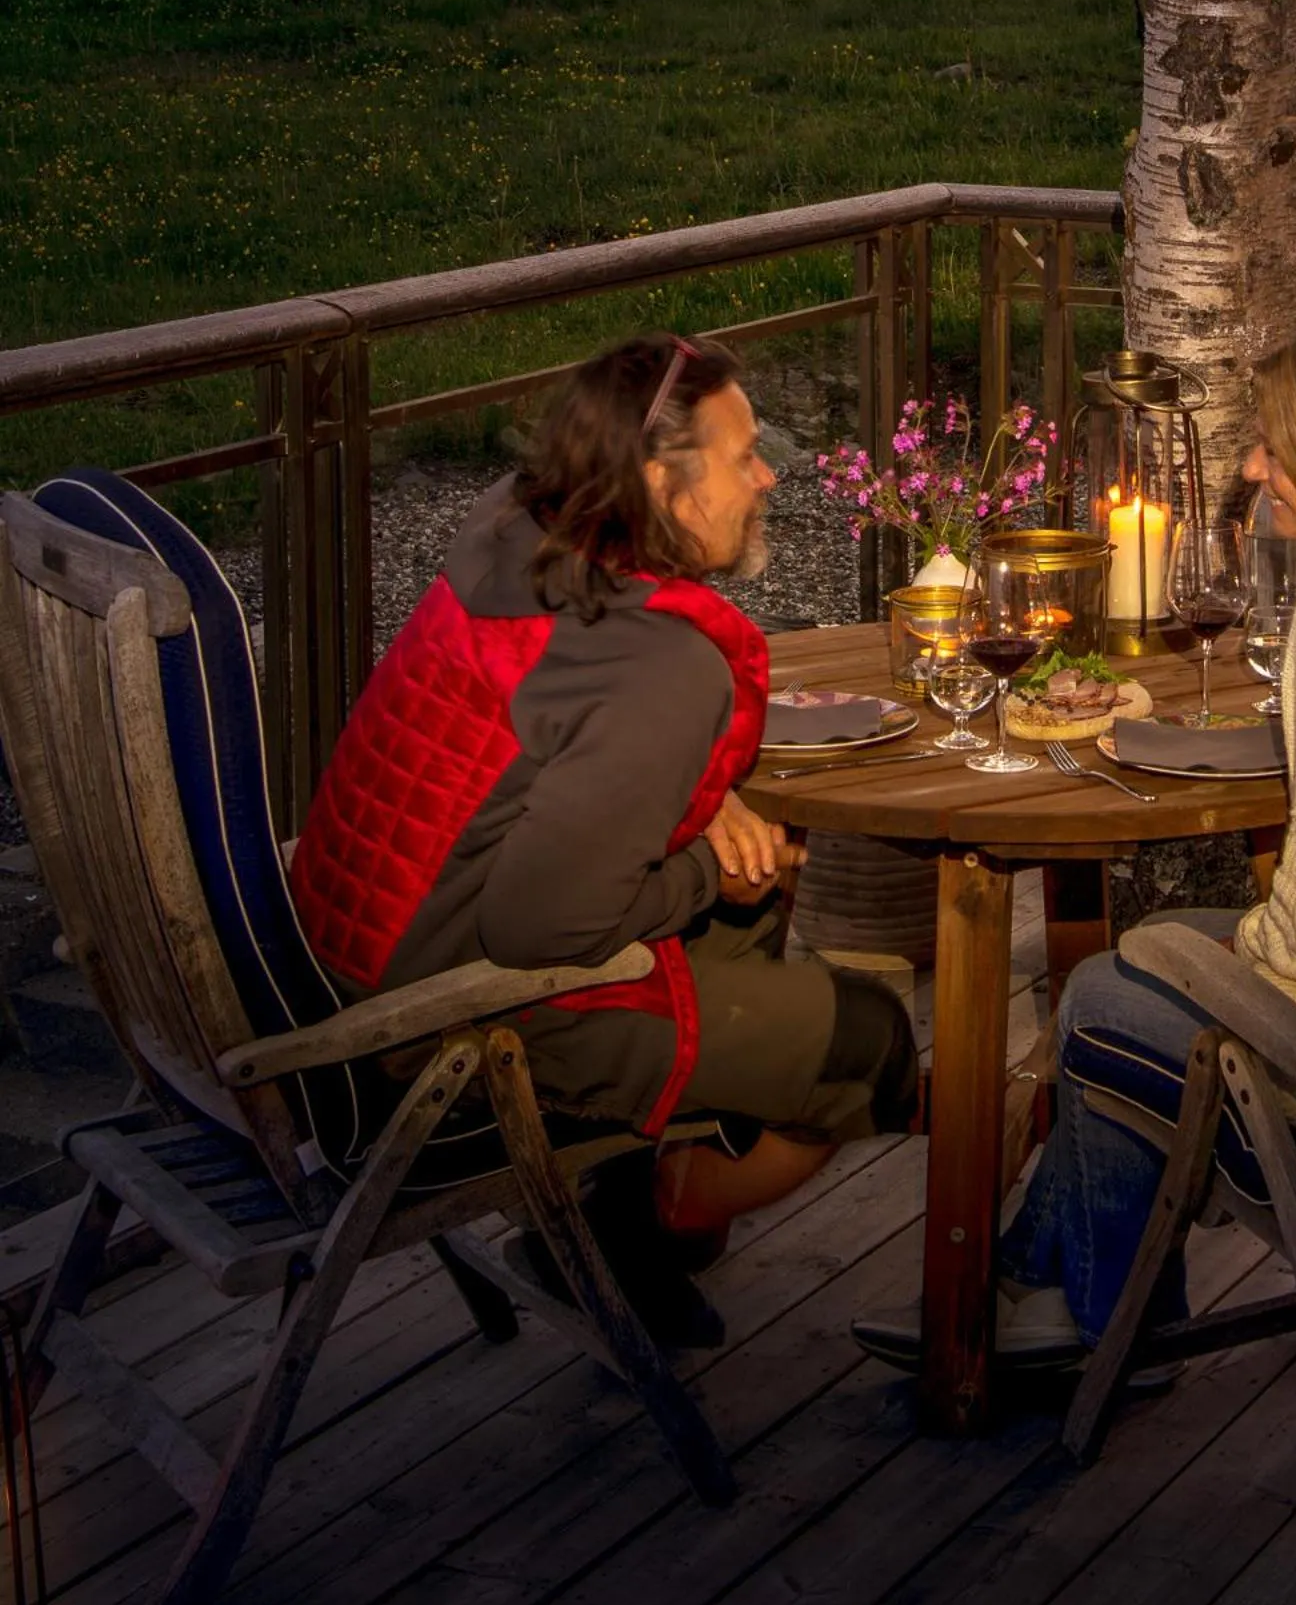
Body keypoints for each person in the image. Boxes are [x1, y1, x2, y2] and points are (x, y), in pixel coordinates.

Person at [854, 313, 1296, 1373]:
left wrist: (1248, 963)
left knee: (1104, 989)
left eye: (1274, 442)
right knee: (1162, 946)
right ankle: (1039, 1278)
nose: (1254, 465)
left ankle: (1108, 1324)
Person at [289, 333, 918, 1342]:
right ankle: (650, 1220)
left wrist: (691, 801)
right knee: (869, 1040)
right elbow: (546, 922)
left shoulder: (515, 526)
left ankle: (617, 1218)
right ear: (664, 487)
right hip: (434, 1034)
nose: (766, 475)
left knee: (747, 918)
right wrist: (704, 861)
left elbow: (546, 733)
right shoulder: (661, 668)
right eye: (743, 453)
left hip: (338, 949)